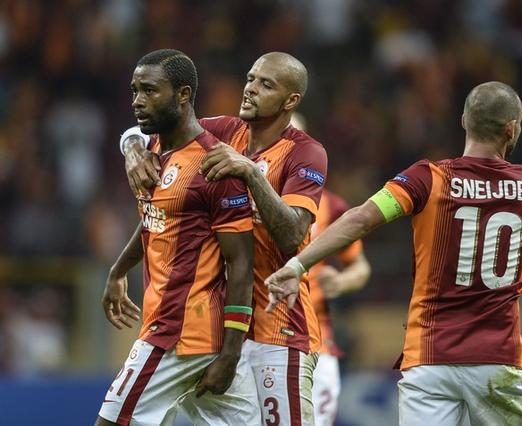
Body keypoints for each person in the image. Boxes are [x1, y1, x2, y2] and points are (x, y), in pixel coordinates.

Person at [266, 81, 522, 425]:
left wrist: (298, 264)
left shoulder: (428, 178)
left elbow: (361, 218)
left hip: (429, 358)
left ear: (464, 120)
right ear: (512, 128)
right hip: (499, 358)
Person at [119, 51, 327, 425]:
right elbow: (159, 122)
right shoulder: (226, 131)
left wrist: (251, 172)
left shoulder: (306, 153)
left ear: (290, 100)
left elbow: (293, 235)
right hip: (224, 329)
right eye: (250, 78)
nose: (250, 89)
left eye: (266, 84)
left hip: (279, 328)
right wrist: (132, 149)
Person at [96, 49, 260, 425]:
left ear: (183, 94)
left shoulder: (213, 165)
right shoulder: (153, 151)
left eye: (150, 91)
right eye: (135, 90)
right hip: (193, 335)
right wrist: (118, 271)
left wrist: (231, 353)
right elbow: (155, 222)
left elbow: (240, 262)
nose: (138, 101)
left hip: (177, 333)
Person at [290, 114, 373, 425]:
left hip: (314, 343)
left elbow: (360, 267)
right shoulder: (237, 196)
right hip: (249, 341)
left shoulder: (330, 206)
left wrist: (341, 280)